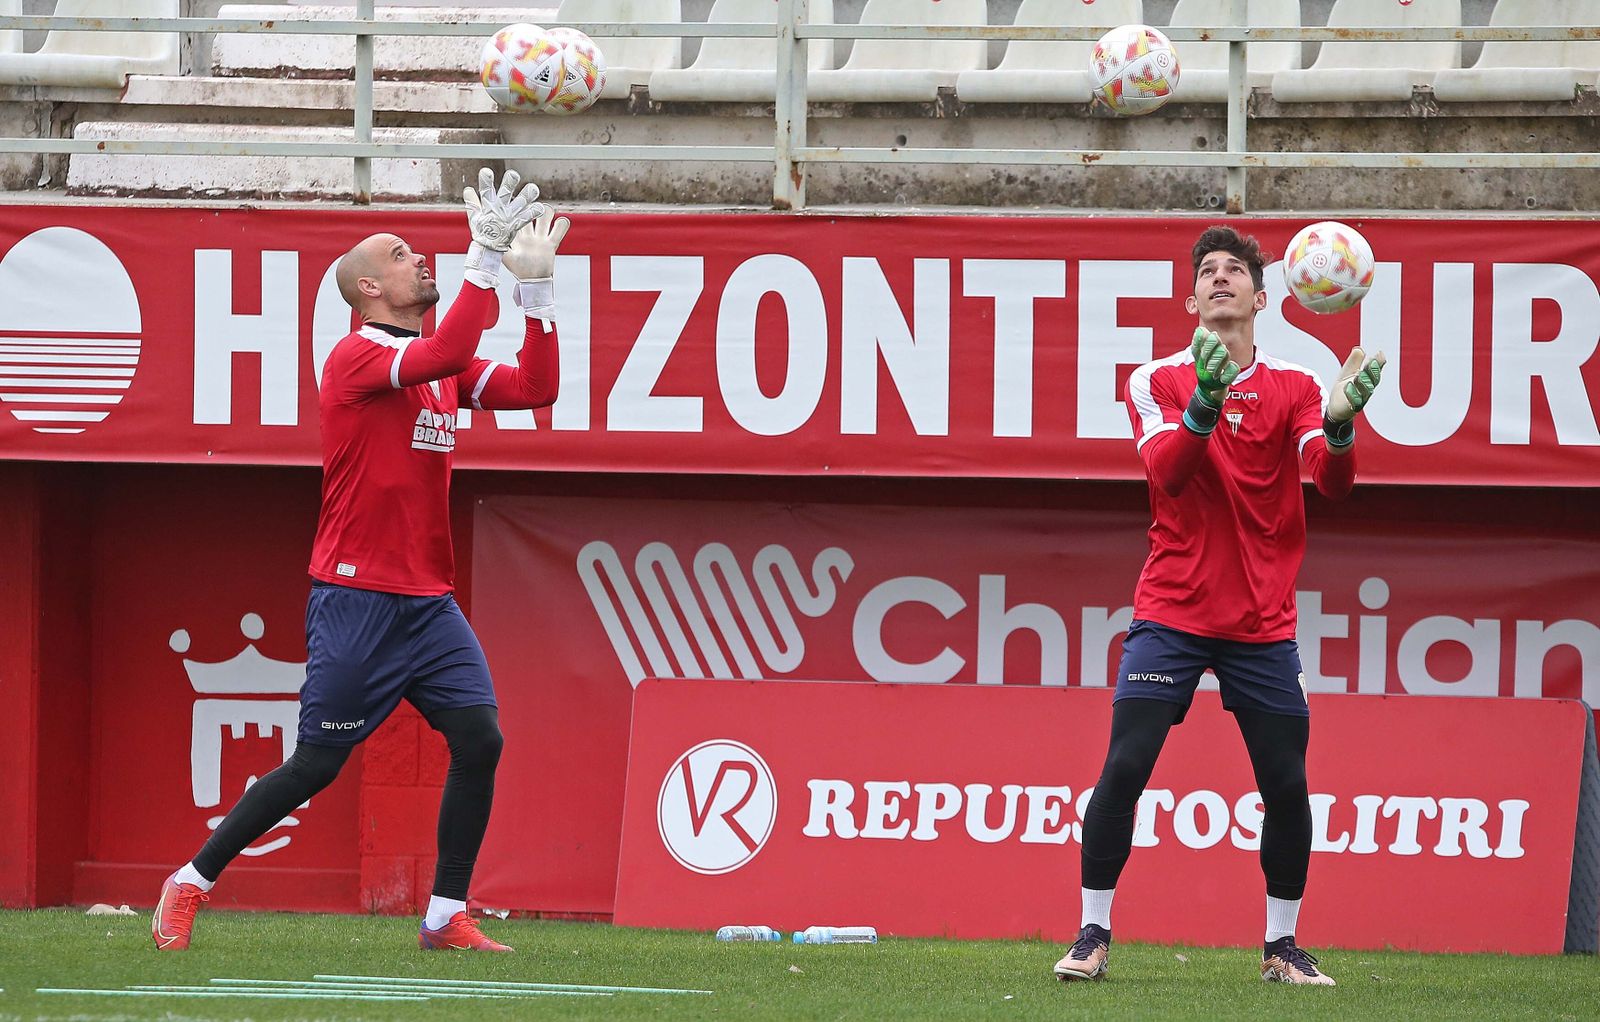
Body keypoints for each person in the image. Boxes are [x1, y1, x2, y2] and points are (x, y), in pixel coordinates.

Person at [152, 169, 570, 953]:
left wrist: (537, 296)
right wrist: (483, 259)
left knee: (479, 739)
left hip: (428, 603)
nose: (422, 262)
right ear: (370, 289)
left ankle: (444, 916)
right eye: (404, 254)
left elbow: (535, 388)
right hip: (357, 599)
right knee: (316, 765)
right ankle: (190, 880)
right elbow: (451, 344)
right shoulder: (356, 356)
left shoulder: (436, 368)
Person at [1053, 226, 1385, 987]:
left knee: (1287, 784)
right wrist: (1205, 402)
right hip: (1171, 609)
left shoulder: (1299, 385)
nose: (1222, 278)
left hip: (1263, 623)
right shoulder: (1156, 380)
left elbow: (1331, 485)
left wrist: (1339, 428)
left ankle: (1281, 949)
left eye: (1237, 269)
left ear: (1264, 298)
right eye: (1208, 271)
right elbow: (1169, 474)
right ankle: (1092, 933)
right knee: (1125, 767)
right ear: (1192, 298)